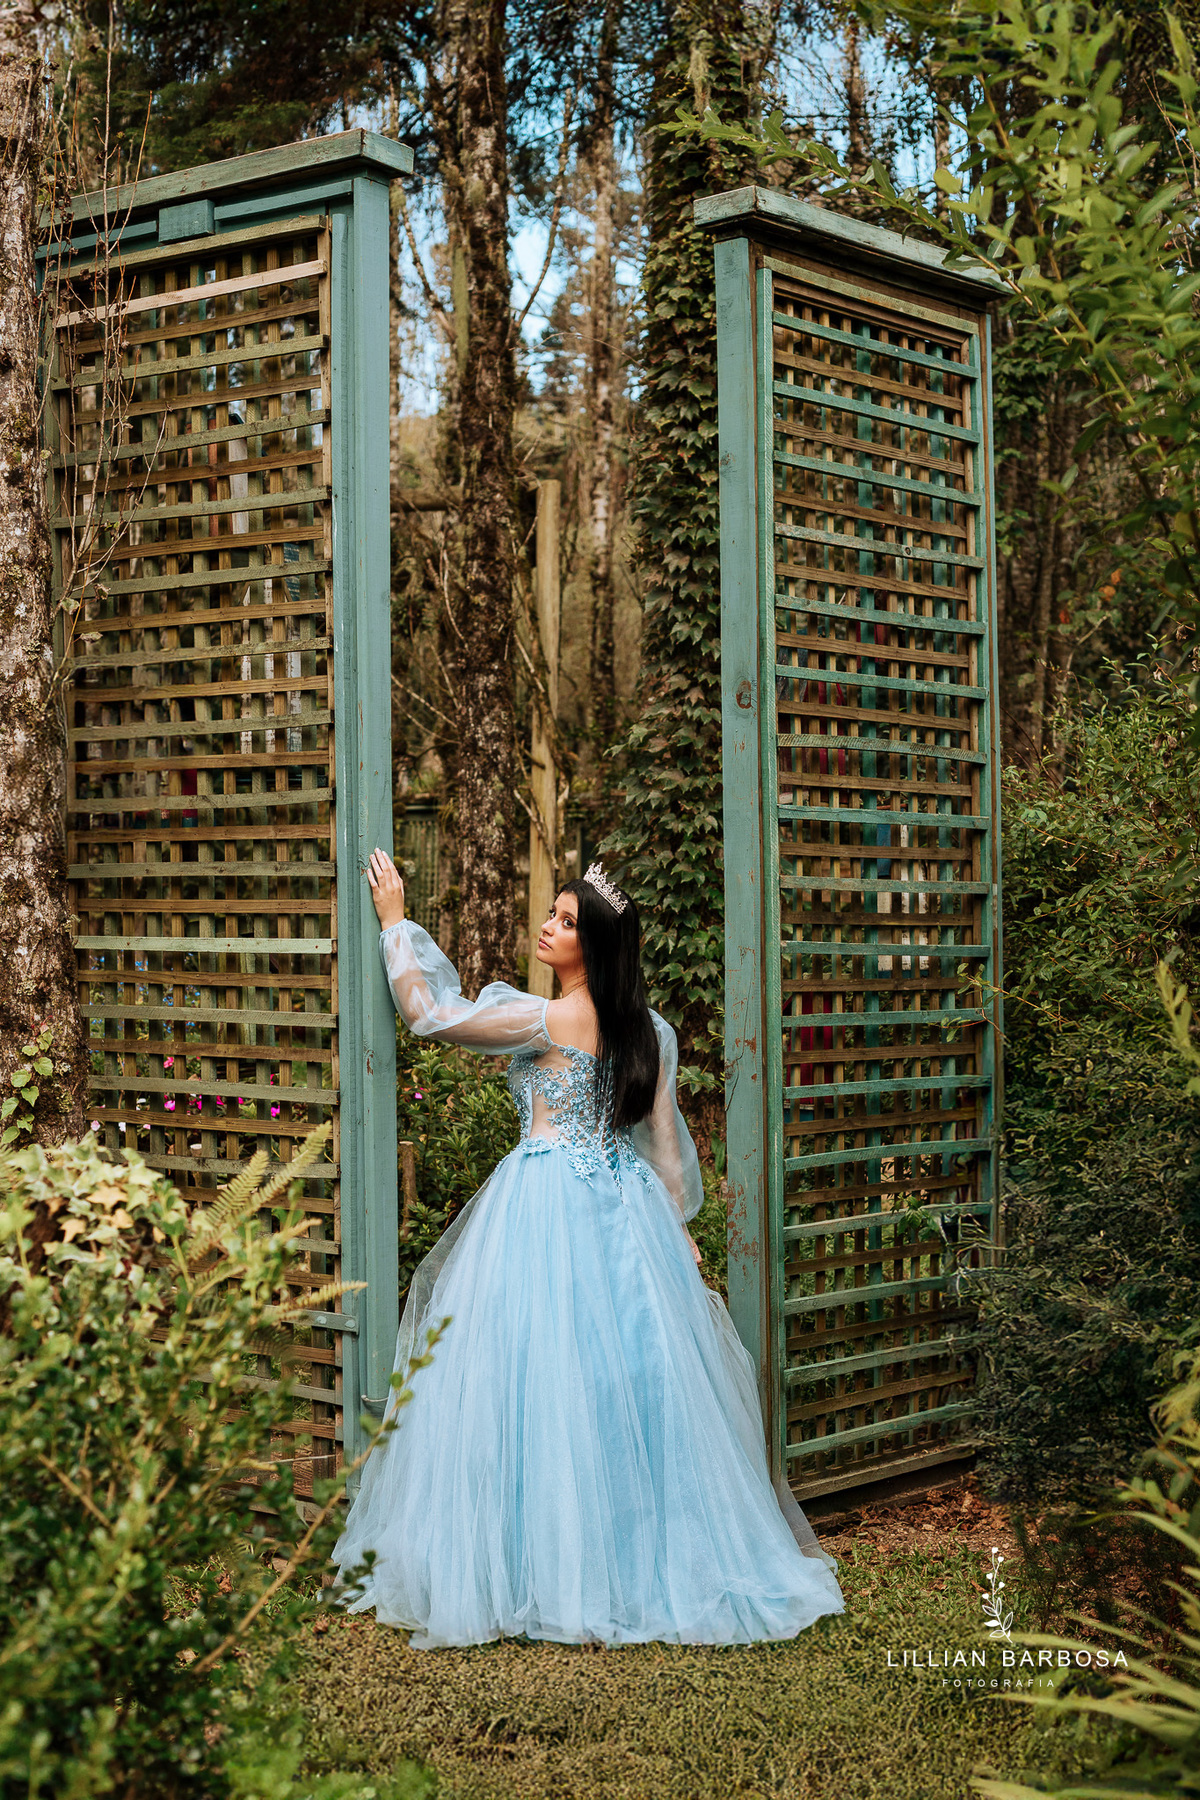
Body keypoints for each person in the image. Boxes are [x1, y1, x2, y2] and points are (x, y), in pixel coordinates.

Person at [330, 849, 844, 1649]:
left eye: (568, 922)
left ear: (594, 946)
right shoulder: (653, 1032)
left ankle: (551, 1561)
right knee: (619, 1382)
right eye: (553, 912)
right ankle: (623, 1547)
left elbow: (431, 1013)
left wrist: (396, 923)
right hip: (625, 1208)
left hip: (544, 1200)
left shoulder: (556, 1018)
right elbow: (666, 1150)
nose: (549, 926)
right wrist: (678, 1236)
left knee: (532, 1377)